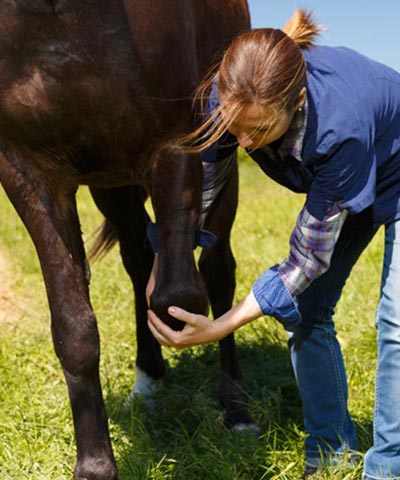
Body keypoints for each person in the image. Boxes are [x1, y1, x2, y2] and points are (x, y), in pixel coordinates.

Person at [147, 9, 400, 480]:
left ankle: (386, 469)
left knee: (396, 323)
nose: (243, 143)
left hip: (394, 165)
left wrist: (220, 326)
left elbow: (307, 260)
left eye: (259, 132)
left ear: (298, 102)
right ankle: (329, 453)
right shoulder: (230, 102)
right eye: (235, 128)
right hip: (348, 176)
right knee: (305, 314)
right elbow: (201, 193)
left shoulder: (338, 129)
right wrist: (166, 257)